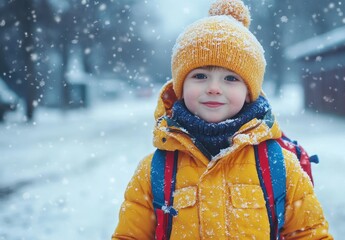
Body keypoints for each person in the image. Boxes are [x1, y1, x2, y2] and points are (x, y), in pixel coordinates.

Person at [112, 0, 332, 239]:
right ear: (180, 87)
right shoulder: (154, 170)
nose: (214, 88)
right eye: (200, 75)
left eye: (230, 78)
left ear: (249, 91)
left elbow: (310, 234)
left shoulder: (279, 165)